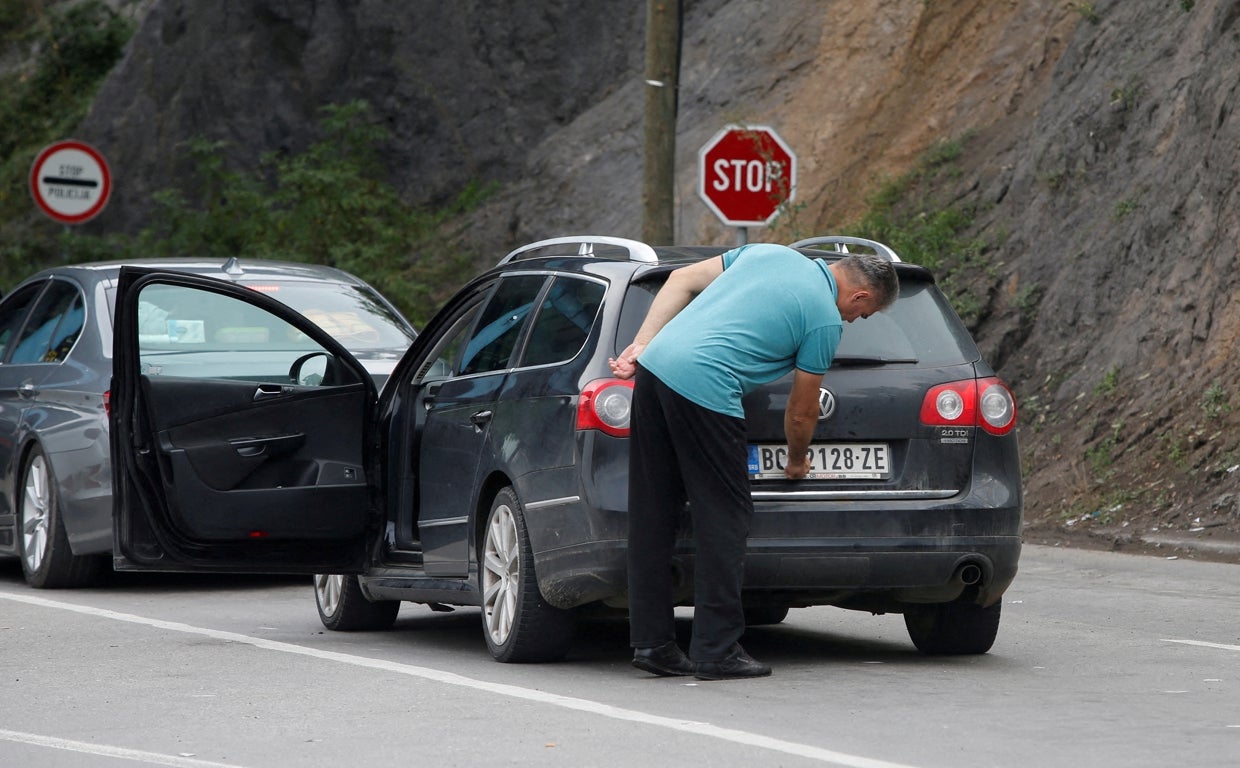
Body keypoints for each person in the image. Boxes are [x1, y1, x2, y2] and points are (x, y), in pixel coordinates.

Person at [608, 243, 899, 680]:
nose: (855, 320)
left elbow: (680, 279)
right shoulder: (823, 318)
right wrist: (797, 461)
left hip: (654, 371)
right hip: (704, 388)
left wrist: (641, 345)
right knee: (725, 517)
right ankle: (715, 649)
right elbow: (802, 411)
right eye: (865, 313)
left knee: (654, 513)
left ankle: (653, 644)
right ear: (859, 296)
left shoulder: (768, 253)